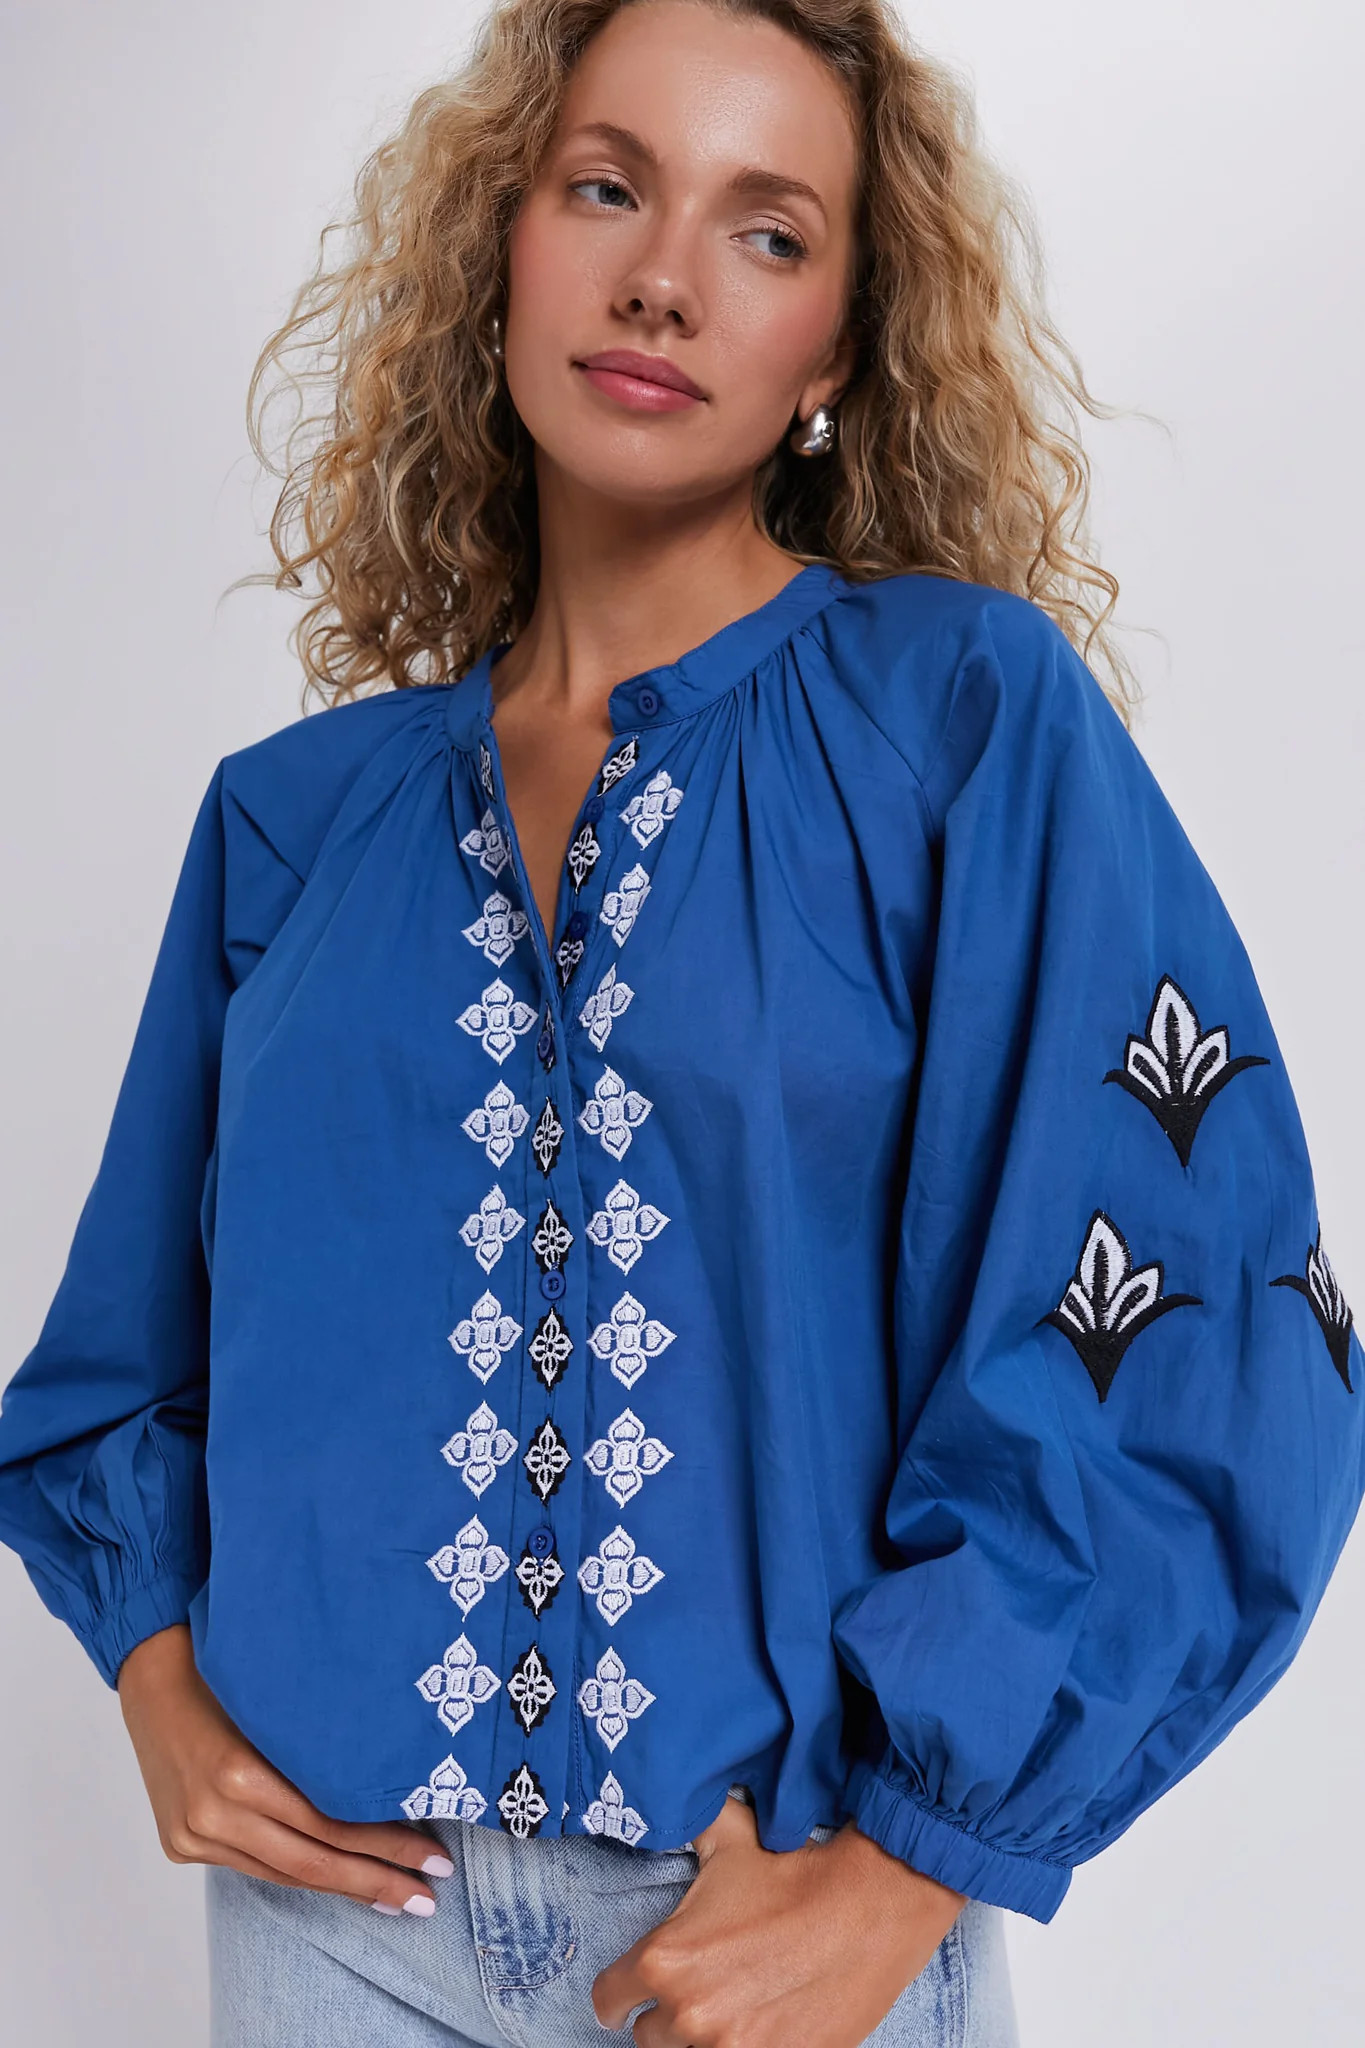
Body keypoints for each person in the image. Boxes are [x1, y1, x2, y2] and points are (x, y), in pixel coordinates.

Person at [2, 0, 1361, 2042]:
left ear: (834, 352)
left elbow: (1184, 1299)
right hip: (330, 1931)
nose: (660, 277)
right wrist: (155, 1680)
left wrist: (908, 1867)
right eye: (605, 188)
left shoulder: (961, 725)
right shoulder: (293, 822)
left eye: (766, 229)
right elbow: (124, 1362)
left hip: (771, 1925)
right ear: (499, 246)